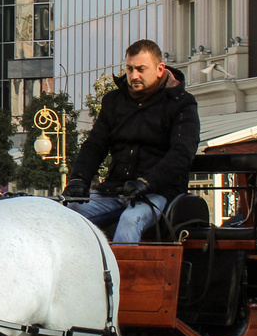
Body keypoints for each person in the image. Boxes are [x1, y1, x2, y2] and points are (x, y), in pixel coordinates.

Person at [65, 39, 200, 244]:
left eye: (141, 69)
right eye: (129, 69)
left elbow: (182, 153)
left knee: (130, 219)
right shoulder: (114, 100)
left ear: (160, 69)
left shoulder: (182, 103)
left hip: (159, 193)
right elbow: (95, 145)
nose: (134, 75)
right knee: (69, 212)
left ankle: (123, 276)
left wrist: (146, 182)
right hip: (114, 189)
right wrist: (78, 180)